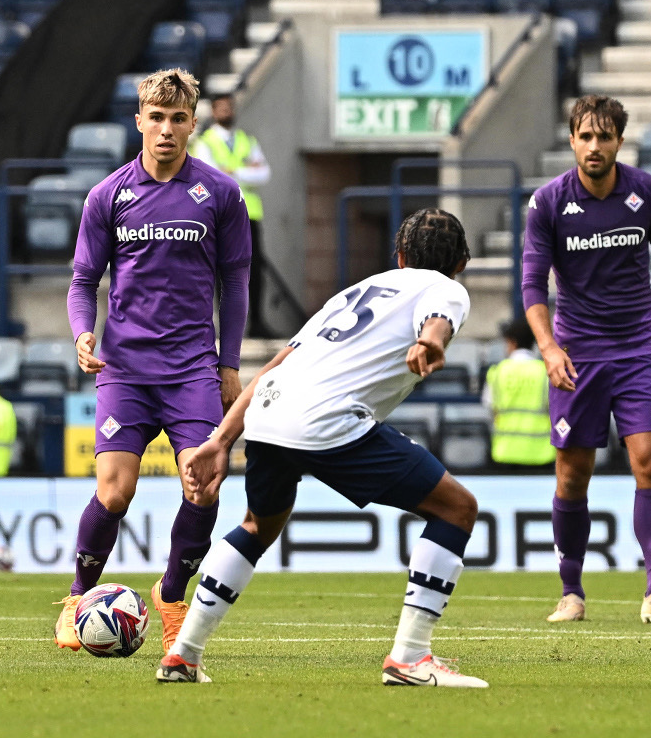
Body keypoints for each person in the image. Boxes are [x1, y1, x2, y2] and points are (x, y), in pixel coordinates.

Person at [157, 209, 489, 688]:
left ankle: (182, 656)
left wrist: (220, 439)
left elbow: (277, 364)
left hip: (269, 415)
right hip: (326, 420)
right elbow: (438, 317)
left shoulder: (357, 291)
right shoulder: (447, 287)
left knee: (257, 525)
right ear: (461, 263)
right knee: (457, 509)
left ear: (398, 257)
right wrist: (430, 342)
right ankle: (411, 659)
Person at [56, 68, 252, 655]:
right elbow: (81, 282)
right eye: (156, 118)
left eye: (178, 119)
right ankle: (77, 598)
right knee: (115, 493)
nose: (166, 129)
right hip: (125, 370)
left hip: (192, 367)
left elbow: (236, 282)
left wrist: (230, 362)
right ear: (139, 120)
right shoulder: (107, 195)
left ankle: (170, 597)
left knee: (204, 487)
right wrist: (82, 335)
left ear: (193, 124)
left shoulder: (220, 193)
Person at [522, 94, 651, 624]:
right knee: (573, 475)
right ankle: (571, 592)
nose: (594, 146)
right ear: (573, 139)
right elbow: (532, 285)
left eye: (605, 136)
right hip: (577, 355)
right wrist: (549, 348)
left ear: (620, 141)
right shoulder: (548, 203)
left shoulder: (647, 192)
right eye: (585, 136)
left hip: (638, 349)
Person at [192, 94, 273, 338]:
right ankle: (225, 326)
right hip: (221, 216)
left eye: (229, 107)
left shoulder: (246, 140)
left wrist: (232, 170)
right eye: (222, 108)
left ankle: (256, 323)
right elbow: (212, 177)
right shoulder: (204, 143)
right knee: (222, 272)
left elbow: (264, 174)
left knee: (255, 270)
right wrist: (246, 170)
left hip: (249, 214)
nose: (226, 111)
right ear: (214, 111)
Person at [482, 318, 554, 466]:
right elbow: (554, 409)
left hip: (505, 453)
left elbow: (490, 409)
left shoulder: (497, 372)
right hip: (541, 454)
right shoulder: (545, 372)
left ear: (512, 342)